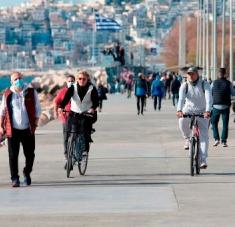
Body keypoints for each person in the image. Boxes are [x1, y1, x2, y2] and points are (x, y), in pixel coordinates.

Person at [0, 72, 41, 187]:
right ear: (12, 82)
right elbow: (2, 111)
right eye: (16, 79)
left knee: (30, 154)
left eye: (20, 78)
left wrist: (36, 121)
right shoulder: (7, 94)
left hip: (27, 129)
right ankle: (15, 178)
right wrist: (0, 126)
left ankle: (26, 173)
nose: (18, 80)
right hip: (12, 130)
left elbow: (38, 108)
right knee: (13, 156)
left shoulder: (31, 92)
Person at [177, 66, 212, 169]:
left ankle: (203, 159)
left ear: (197, 74)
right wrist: (179, 110)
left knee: (204, 136)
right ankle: (187, 138)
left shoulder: (204, 84)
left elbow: (209, 99)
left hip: (202, 112)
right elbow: (181, 99)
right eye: (189, 74)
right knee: (182, 121)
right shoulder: (184, 85)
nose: (191, 76)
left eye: (192, 74)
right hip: (188, 110)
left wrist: (208, 111)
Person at [59, 70, 99, 157]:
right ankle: (70, 152)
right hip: (74, 113)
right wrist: (61, 107)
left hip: (86, 113)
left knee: (85, 131)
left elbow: (96, 101)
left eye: (84, 79)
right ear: (77, 79)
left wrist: (92, 109)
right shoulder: (73, 87)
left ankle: (84, 151)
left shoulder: (91, 88)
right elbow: (66, 98)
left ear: (87, 79)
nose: (81, 80)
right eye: (80, 78)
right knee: (69, 130)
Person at [211, 68, 235, 147]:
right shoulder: (229, 83)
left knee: (214, 123)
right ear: (225, 74)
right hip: (225, 106)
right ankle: (224, 141)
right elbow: (233, 93)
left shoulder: (214, 83)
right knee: (225, 124)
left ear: (218, 74)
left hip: (215, 106)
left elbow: (210, 93)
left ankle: (216, 139)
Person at [54, 75, 75, 160]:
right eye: (69, 81)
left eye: (72, 81)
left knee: (75, 134)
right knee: (66, 136)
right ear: (66, 82)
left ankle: (75, 151)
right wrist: (56, 111)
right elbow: (56, 101)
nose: (70, 82)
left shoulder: (77, 90)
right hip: (65, 116)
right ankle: (66, 153)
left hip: (76, 115)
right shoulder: (63, 91)